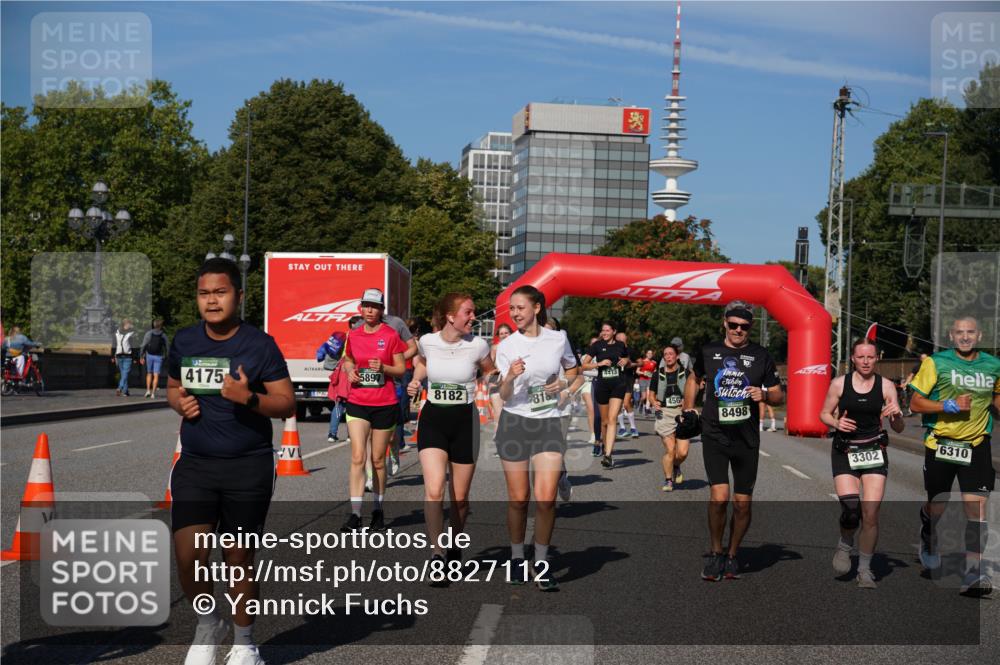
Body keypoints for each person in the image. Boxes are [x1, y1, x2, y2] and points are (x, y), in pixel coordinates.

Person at [167, 258, 295, 665]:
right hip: (196, 464)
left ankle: (244, 643)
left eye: (220, 292)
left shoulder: (260, 344)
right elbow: (173, 385)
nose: (212, 300)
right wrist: (178, 402)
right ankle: (209, 624)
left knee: (238, 557)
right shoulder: (185, 340)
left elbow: (287, 402)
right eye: (204, 293)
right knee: (188, 557)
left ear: (238, 296)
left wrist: (250, 398)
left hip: (247, 466)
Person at [683, 301, 783, 581]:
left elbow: (778, 395)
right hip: (714, 433)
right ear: (725, 323)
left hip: (746, 439)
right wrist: (688, 408)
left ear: (750, 328)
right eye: (733, 325)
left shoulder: (760, 355)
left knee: (742, 504)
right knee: (719, 497)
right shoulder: (709, 350)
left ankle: (732, 554)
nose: (739, 330)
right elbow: (694, 378)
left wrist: (763, 395)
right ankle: (716, 552)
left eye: (745, 326)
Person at [495, 285, 582, 590]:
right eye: (512, 309)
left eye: (520, 307)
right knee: (519, 498)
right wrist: (509, 377)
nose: (515, 314)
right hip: (515, 422)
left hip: (548, 423)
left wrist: (565, 387)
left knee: (545, 499)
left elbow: (576, 372)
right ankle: (518, 557)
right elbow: (504, 396)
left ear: (537, 307)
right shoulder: (506, 346)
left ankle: (542, 563)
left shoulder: (558, 339)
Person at [910, 316, 1000, 597]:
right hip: (941, 444)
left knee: (977, 510)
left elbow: (996, 399)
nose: (965, 336)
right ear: (951, 335)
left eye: (970, 332)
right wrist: (948, 404)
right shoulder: (935, 362)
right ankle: (928, 529)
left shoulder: (993, 365)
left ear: (979, 334)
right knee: (938, 506)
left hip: (977, 444)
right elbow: (915, 403)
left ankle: (973, 572)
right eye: (959, 332)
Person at [408, 293, 494, 571]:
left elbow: (491, 373)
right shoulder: (428, 342)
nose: (473, 317)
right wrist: (415, 380)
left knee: (459, 498)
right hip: (433, 418)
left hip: (465, 421)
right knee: (434, 490)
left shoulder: (479, 345)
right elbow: (421, 362)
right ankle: (436, 554)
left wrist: (508, 376)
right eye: (468, 313)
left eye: (473, 312)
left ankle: (455, 543)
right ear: (450, 316)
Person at [819, 339, 905, 589]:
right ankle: (845, 544)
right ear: (853, 359)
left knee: (871, 514)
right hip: (845, 450)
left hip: (874, 450)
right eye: (861, 357)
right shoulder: (839, 384)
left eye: (870, 357)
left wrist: (897, 416)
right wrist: (836, 424)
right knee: (851, 511)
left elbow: (897, 426)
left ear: (877, 358)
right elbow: (824, 413)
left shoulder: (887, 386)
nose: (866, 362)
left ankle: (864, 570)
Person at [339, 288, 407, 532]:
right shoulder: (353, 335)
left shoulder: (390, 336)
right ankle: (355, 514)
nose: (369, 310)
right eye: (366, 305)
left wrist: (384, 368)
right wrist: (350, 371)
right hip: (358, 401)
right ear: (360, 307)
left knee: (378, 460)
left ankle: (378, 509)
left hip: (384, 403)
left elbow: (401, 369)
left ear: (381, 310)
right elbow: (348, 359)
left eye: (374, 306)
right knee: (358, 457)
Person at [582, 323, 629, 468]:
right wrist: (599, 363)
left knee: (612, 418)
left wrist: (625, 361)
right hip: (602, 385)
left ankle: (608, 455)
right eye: (603, 330)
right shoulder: (597, 345)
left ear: (614, 331)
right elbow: (584, 364)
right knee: (604, 421)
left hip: (618, 384)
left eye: (607, 330)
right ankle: (603, 445)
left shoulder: (621, 345)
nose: (604, 333)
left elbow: (628, 360)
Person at [648, 344, 688, 492]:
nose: (668, 357)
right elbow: (651, 395)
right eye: (666, 354)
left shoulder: (686, 373)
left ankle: (676, 465)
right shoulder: (658, 374)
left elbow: (693, 391)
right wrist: (654, 402)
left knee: (682, 452)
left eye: (671, 354)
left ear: (677, 356)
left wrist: (687, 401)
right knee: (670, 450)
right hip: (664, 412)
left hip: (682, 413)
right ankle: (668, 480)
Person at [316, 330, 347, 442]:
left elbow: (321, 352)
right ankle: (350, 435)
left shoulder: (339, 338)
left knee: (338, 405)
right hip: (350, 378)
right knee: (352, 408)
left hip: (339, 378)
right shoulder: (353, 339)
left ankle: (332, 434)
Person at [489, 323, 514, 439]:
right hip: (497, 384)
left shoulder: (516, 347)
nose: (504, 335)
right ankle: (499, 440)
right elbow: (489, 367)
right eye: (501, 333)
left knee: (512, 414)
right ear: (498, 336)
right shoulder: (495, 348)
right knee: (498, 415)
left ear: (511, 334)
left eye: (506, 333)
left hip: (513, 384)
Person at [615, 331, 640, 439]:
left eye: (622, 340)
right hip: (615, 379)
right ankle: (622, 428)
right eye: (619, 340)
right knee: (618, 405)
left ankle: (633, 428)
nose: (621, 341)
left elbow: (641, 362)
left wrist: (631, 364)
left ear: (625, 340)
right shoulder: (613, 351)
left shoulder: (631, 350)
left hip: (628, 379)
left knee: (626, 403)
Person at [140, 318, 169, 399]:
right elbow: (167, 347)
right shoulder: (163, 335)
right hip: (159, 356)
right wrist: (167, 356)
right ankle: (153, 393)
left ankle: (148, 390)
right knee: (156, 375)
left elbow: (143, 345)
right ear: (161, 326)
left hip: (149, 355)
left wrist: (141, 355)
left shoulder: (149, 333)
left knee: (149, 373)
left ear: (154, 325)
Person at [112, 318, 136, 397]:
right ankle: (120, 388)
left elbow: (114, 345)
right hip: (125, 356)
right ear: (126, 324)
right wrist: (135, 357)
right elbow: (133, 346)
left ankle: (125, 391)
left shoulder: (117, 333)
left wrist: (112, 355)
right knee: (124, 374)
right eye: (130, 324)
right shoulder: (130, 334)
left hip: (120, 355)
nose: (131, 325)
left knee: (124, 374)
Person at [637, 350, 657, 417]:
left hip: (650, 380)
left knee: (648, 395)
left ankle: (647, 409)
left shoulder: (654, 363)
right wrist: (643, 373)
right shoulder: (642, 362)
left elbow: (655, 371)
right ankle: (641, 404)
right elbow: (637, 371)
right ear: (646, 354)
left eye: (651, 353)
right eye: (648, 353)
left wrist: (654, 374)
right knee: (643, 397)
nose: (650, 354)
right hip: (642, 379)